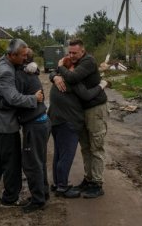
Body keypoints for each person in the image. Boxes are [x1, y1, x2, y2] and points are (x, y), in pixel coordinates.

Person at [0, 39, 44, 208]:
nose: (25, 58)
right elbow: (13, 98)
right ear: (12, 55)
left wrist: (31, 65)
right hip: (5, 124)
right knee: (11, 161)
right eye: (23, 56)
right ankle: (11, 198)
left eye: (26, 55)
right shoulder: (6, 71)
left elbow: (2, 74)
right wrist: (33, 99)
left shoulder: (4, 60)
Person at [0, 48, 50, 213]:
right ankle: (43, 193)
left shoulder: (19, 76)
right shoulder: (28, 73)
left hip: (34, 125)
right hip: (41, 122)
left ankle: (38, 200)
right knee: (39, 161)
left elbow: (12, 100)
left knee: (31, 164)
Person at [51, 39, 108, 198]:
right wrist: (55, 76)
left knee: (96, 146)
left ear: (83, 51)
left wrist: (60, 69)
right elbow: (58, 72)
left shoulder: (88, 61)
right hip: (82, 111)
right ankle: (88, 179)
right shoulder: (71, 63)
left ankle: (97, 183)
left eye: (74, 53)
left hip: (95, 109)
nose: (71, 55)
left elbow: (73, 78)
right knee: (85, 147)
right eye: (69, 52)